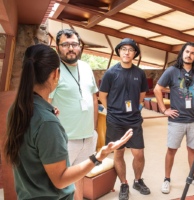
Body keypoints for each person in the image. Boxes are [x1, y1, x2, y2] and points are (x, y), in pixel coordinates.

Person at [3, 44, 133, 199]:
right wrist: (99, 156)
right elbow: (61, 180)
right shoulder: (46, 123)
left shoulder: (18, 109)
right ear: (55, 74)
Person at [153, 42, 194, 194]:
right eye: (187, 52)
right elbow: (157, 89)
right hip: (176, 120)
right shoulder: (172, 71)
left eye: (192, 53)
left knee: (192, 150)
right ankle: (167, 179)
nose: (189, 55)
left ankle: (193, 177)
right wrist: (163, 109)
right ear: (182, 53)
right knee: (171, 150)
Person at [48, 28, 99, 200]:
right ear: (57, 48)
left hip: (88, 136)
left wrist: (93, 130)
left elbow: (93, 99)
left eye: (74, 44)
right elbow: (46, 104)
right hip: (65, 139)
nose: (71, 48)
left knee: (80, 177)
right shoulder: (53, 71)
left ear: (80, 47)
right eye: (65, 44)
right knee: (60, 183)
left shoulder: (86, 67)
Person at [99, 38, 149, 200]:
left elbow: (142, 95)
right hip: (115, 121)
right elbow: (102, 96)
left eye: (130, 49)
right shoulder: (111, 73)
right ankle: (124, 183)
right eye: (124, 49)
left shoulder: (139, 73)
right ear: (119, 52)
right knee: (118, 154)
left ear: (135, 53)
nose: (127, 52)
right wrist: (112, 111)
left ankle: (137, 180)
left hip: (134, 120)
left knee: (139, 154)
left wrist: (138, 108)